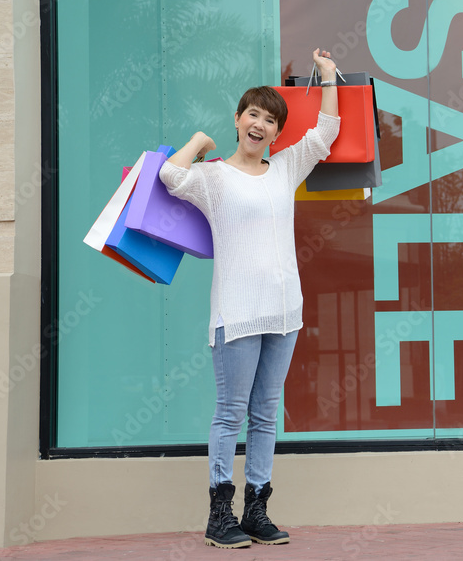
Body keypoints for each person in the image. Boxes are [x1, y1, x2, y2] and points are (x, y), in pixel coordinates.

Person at [159, 49, 340, 549]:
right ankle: (220, 516)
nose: (261, 124)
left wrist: (327, 77)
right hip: (236, 315)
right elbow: (171, 177)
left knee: (265, 413)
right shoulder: (214, 177)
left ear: (278, 133)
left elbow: (325, 133)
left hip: (284, 312)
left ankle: (256, 509)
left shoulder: (285, 168)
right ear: (239, 121)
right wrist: (198, 141)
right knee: (230, 413)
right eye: (254, 114)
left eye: (271, 119)